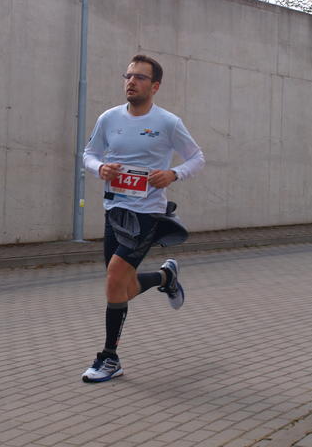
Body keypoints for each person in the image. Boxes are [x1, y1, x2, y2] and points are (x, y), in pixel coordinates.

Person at [81, 54, 205, 383]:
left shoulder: (168, 123)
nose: (131, 82)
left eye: (139, 77)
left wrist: (173, 174)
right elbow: (89, 154)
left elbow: (197, 158)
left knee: (113, 278)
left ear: (155, 86)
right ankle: (166, 277)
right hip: (115, 211)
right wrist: (100, 168)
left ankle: (109, 357)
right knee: (122, 286)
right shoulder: (109, 118)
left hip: (148, 213)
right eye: (128, 76)